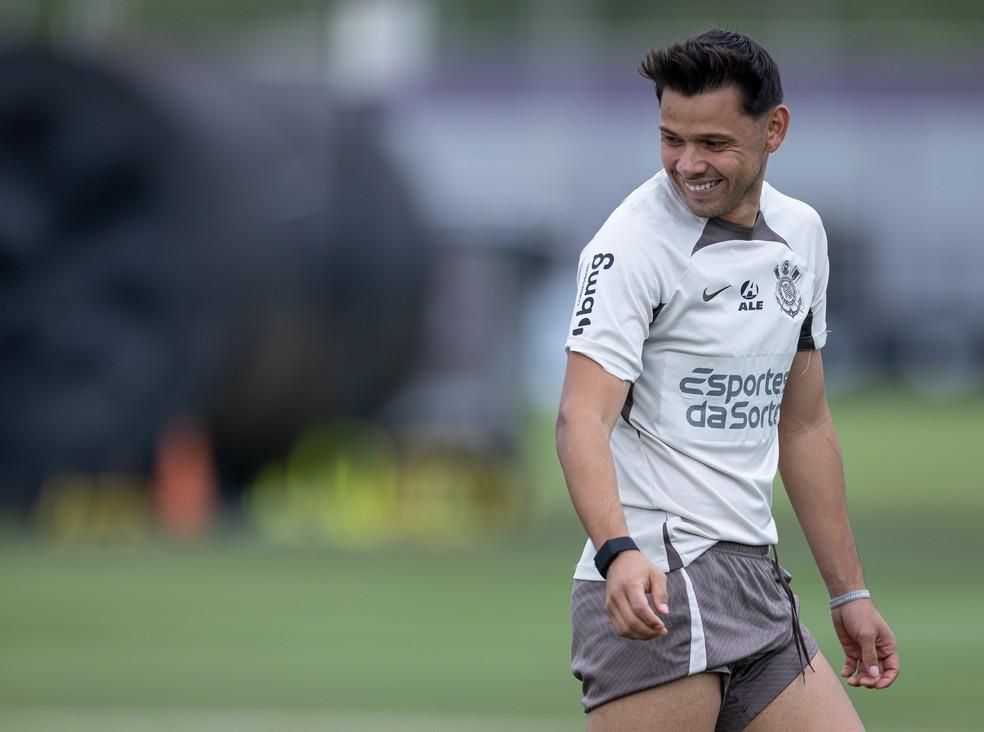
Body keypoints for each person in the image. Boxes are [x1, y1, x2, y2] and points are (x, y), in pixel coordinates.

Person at [555, 29, 899, 731]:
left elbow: (803, 424)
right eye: (670, 139)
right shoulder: (631, 245)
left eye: (712, 143)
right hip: (658, 583)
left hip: (756, 582)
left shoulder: (801, 235)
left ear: (775, 129)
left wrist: (848, 591)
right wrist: (617, 552)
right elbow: (579, 420)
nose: (687, 164)